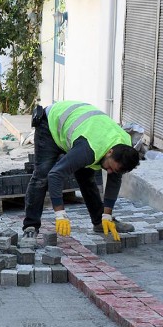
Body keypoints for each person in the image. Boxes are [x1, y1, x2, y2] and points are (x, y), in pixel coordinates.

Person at [23, 101, 141, 242]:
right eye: (110, 167)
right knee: (42, 176)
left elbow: (114, 179)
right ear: (109, 152)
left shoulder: (124, 150)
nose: (109, 172)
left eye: (113, 170)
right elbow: (55, 175)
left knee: (87, 178)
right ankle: (30, 227)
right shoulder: (89, 149)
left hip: (81, 130)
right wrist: (60, 214)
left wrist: (107, 215)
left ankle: (99, 221)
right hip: (51, 124)